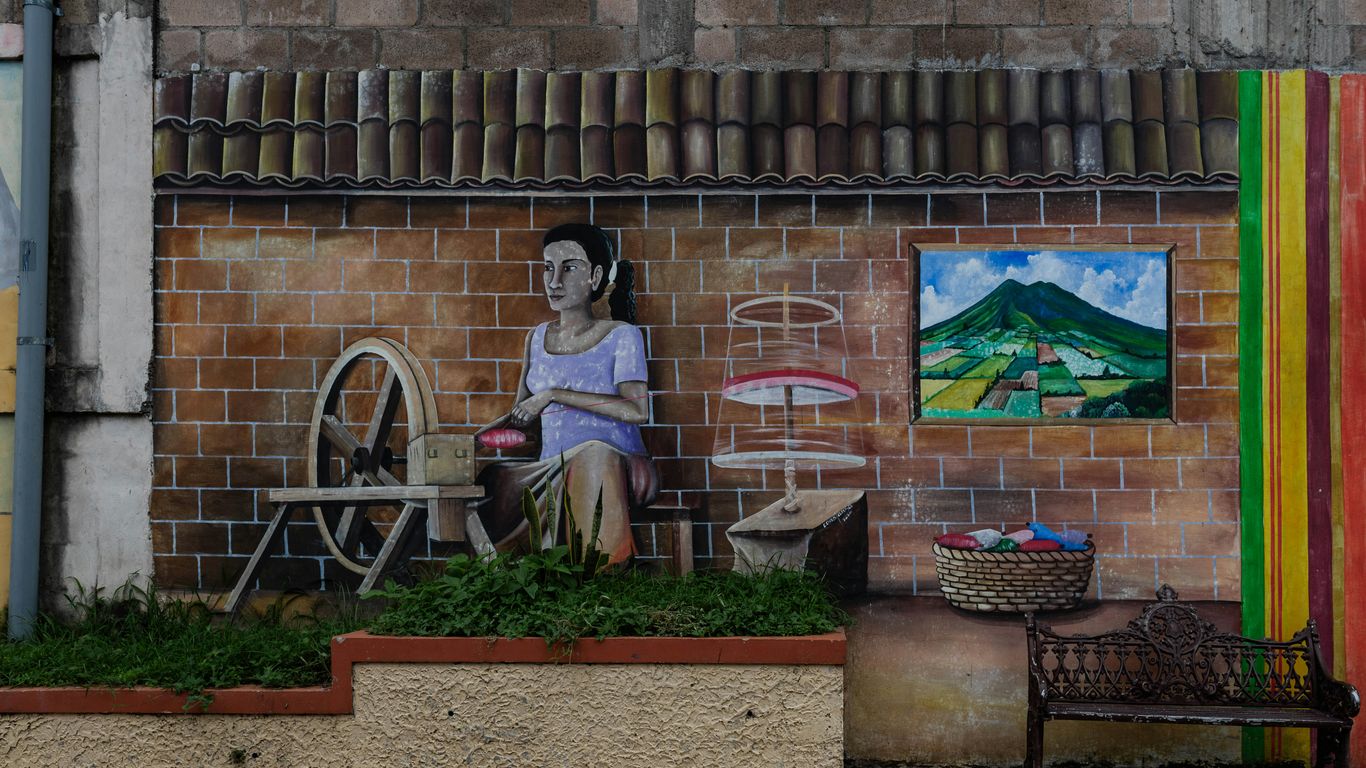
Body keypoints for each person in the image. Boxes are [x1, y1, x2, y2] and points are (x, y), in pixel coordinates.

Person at [471, 223, 656, 565]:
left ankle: (599, 572)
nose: (554, 281)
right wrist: (477, 441)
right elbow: (522, 416)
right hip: (550, 466)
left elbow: (637, 411)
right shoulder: (536, 337)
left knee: (594, 455)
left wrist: (554, 394)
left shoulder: (622, 335)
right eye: (548, 268)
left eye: (569, 268)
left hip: (615, 465)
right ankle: (533, 570)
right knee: (494, 481)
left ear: (595, 275)